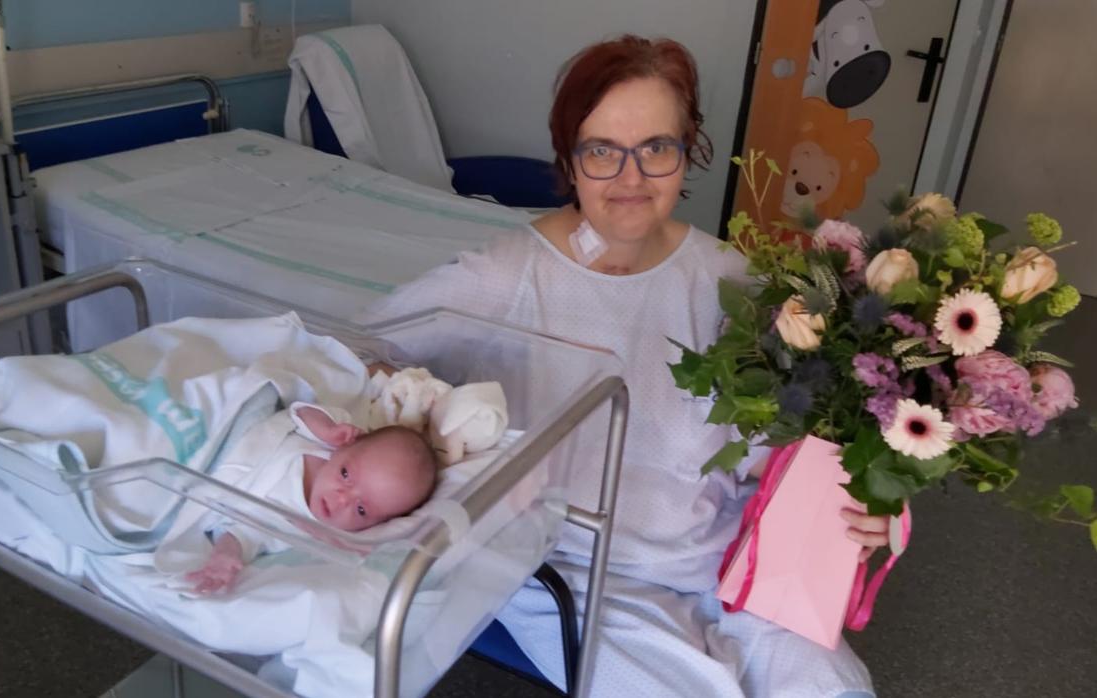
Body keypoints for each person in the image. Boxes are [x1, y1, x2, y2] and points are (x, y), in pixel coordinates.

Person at [357, 35, 889, 696]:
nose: (630, 179)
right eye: (602, 151)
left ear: (686, 149)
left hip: (728, 561)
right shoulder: (506, 278)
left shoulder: (732, 279)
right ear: (569, 157)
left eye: (656, 149)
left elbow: (775, 442)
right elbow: (366, 350)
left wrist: (856, 504)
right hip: (577, 570)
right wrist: (430, 449)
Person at [185, 402, 438, 594]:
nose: (341, 499)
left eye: (361, 510)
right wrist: (327, 429)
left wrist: (225, 555)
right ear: (347, 446)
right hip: (227, 430)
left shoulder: (299, 526)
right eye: (345, 474)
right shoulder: (329, 440)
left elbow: (241, 532)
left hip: (199, 473)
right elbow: (299, 412)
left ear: (376, 524)